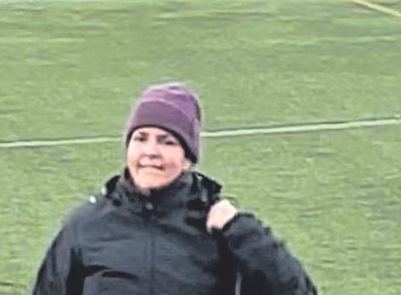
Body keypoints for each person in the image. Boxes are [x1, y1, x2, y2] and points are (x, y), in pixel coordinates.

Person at [32, 82, 317, 295]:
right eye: (141, 138)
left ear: (187, 159)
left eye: (167, 141)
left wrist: (243, 231)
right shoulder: (86, 225)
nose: (150, 152)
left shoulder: (223, 230)